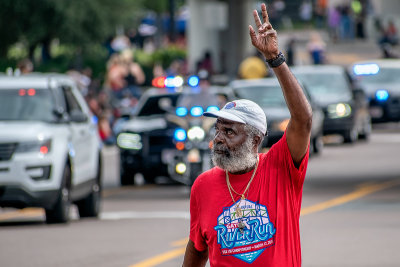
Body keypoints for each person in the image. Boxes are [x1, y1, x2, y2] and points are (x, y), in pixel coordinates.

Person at [182, 3, 312, 267]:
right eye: (218, 128)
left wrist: (275, 60)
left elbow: (303, 119)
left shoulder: (281, 167)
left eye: (229, 131)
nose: (219, 137)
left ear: (255, 139)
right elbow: (197, 248)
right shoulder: (203, 186)